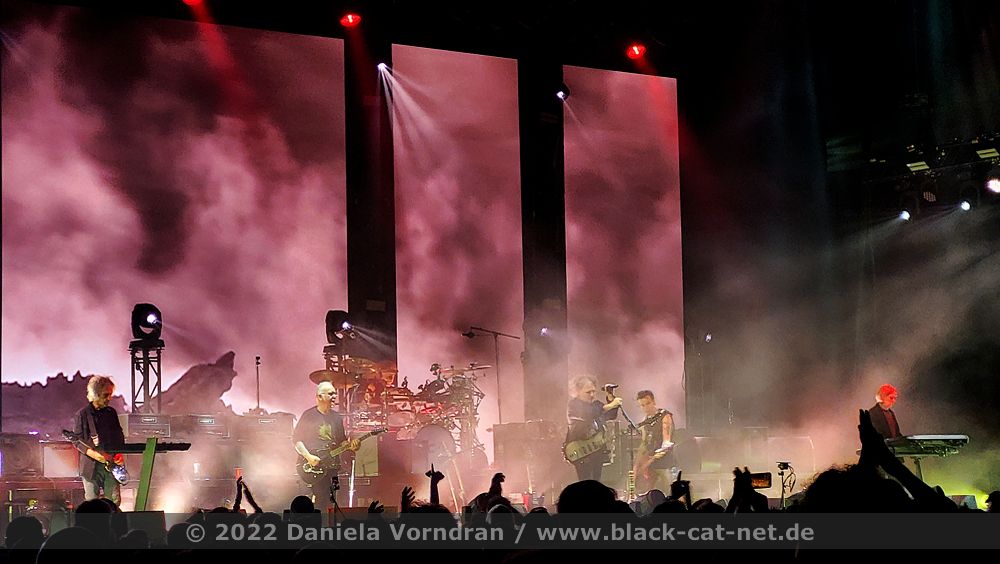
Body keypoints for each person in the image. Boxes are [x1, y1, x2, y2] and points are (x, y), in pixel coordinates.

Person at [293, 381, 360, 512]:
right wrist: (308, 457)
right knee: (314, 503)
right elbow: (296, 440)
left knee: (332, 501)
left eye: (335, 393)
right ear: (319, 396)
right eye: (330, 394)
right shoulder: (309, 415)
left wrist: (351, 446)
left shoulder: (336, 417)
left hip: (332, 467)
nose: (334, 396)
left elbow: (341, 441)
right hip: (312, 467)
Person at [72, 376, 125, 505]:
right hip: (90, 467)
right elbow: (77, 441)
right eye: (106, 395)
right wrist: (95, 455)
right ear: (95, 394)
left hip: (111, 464)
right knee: (92, 505)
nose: (109, 398)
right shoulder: (82, 414)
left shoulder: (111, 413)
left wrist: (119, 454)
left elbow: (119, 436)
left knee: (113, 502)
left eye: (110, 395)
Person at [565, 375, 622, 482]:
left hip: (596, 450)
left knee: (596, 480)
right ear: (578, 391)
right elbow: (588, 414)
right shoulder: (574, 405)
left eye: (593, 391)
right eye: (588, 392)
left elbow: (611, 415)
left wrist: (610, 398)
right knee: (586, 481)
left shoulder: (596, 405)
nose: (592, 395)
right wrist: (610, 405)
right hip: (582, 451)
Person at [633, 390, 677, 492]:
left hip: (665, 462)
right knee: (647, 493)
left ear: (654, 402)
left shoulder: (664, 416)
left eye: (648, 403)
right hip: (652, 464)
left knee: (669, 491)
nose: (646, 408)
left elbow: (666, 443)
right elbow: (644, 443)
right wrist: (636, 465)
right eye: (642, 405)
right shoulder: (646, 421)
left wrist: (648, 462)